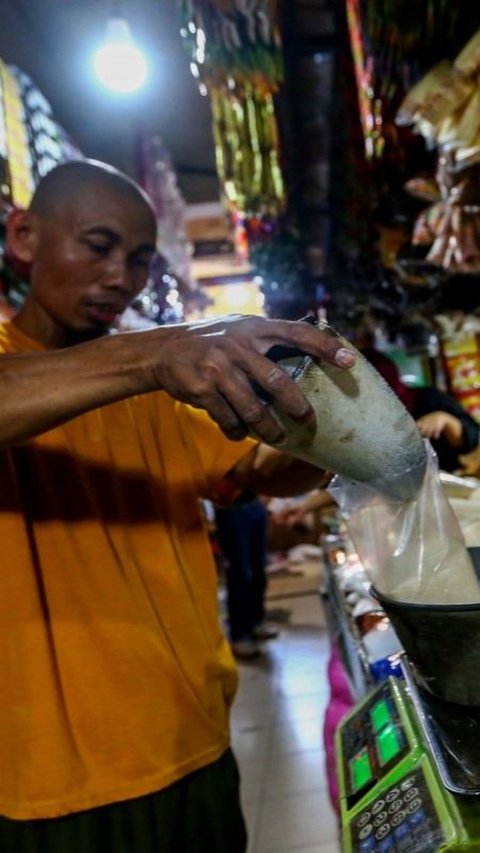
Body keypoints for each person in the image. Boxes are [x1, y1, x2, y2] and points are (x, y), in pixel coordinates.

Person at [0, 159, 357, 852]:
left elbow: (256, 471)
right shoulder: (69, 365)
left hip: (192, 737)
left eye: (138, 259)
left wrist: (328, 418)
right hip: (53, 779)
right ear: (23, 235)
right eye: (98, 246)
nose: (120, 279)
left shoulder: (152, 385)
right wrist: (156, 351)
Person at [361, 346, 480, 473]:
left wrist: (445, 419)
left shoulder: (427, 398)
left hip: (449, 482)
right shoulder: (366, 421)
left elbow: (472, 438)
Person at [215, 492, 277, 660]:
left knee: (259, 567)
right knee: (240, 573)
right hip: (232, 509)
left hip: (254, 504)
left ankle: (256, 622)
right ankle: (239, 634)